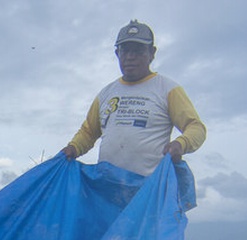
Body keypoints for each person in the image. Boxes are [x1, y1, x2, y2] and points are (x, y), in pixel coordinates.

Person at [61, 20, 206, 176]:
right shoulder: (106, 94)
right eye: (125, 50)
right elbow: (88, 132)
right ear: (117, 53)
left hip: (149, 190)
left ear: (152, 53)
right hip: (106, 190)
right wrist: (73, 147)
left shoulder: (168, 89)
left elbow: (196, 127)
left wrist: (181, 144)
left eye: (138, 51)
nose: (130, 57)